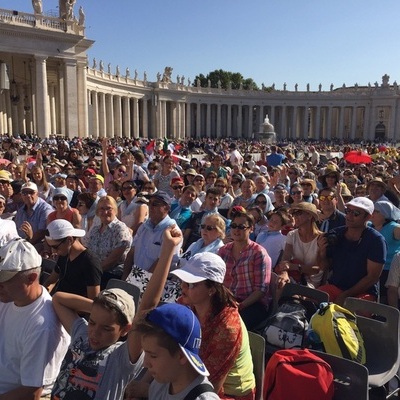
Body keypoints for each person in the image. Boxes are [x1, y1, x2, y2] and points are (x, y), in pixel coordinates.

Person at [51, 226, 184, 400]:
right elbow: (58, 299)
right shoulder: (81, 334)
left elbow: (147, 308)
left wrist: (167, 250)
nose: (95, 333)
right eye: (92, 322)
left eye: (107, 328)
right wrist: (99, 308)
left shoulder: (121, 358)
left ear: (125, 329)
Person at [169, 253, 255, 399]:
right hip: (193, 377)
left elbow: (210, 388)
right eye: (183, 280)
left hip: (229, 394)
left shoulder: (228, 328)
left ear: (212, 289)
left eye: (191, 284)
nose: (183, 286)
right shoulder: (188, 305)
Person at [0, 238, 69, 398]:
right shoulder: (9, 297)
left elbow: (32, 392)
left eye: (4, 281)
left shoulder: (43, 326)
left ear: (31, 278)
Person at [318, 197, 387, 305]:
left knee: (351, 315)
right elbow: (324, 266)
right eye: (348, 211)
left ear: (368, 217)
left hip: (363, 293)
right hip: (335, 287)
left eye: (356, 213)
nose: (349, 216)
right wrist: (322, 253)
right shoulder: (336, 234)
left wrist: (345, 295)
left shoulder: (376, 240)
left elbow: (372, 277)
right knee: (310, 303)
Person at [218, 210, 271, 330]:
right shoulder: (223, 251)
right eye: (234, 226)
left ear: (251, 229)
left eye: (241, 227)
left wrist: (240, 305)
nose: (236, 230)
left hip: (251, 303)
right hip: (227, 299)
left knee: (230, 326)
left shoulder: (259, 253)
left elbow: (261, 290)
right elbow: (217, 280)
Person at [44, 220, 102, 299]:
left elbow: (92, 301)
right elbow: (51, 281)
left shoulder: (90, 262)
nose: (53, 251)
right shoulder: (64, 254)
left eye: (55, 247)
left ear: (69, 240)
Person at [275, 202, 325, 288]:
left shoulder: (321, 238)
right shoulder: (292, 235)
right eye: (294, 214)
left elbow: (317, 269)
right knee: (281, 282)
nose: (295, 217)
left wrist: (294, 267)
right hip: (294, 277)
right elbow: (285, 258)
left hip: (312, 283)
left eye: (299, 213)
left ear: (309, 216)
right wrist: (284, 273)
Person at [86, 196, 132, 288]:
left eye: (109, 208)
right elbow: (88, 253)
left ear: (115, 210)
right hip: (94, 273)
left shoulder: (120, 229)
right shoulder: (95, 230)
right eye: (102, 209)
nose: (105, 212)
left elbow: (113, 260)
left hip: (111, 276)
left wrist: (92, 272)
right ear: (97, 212)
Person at [14, 181, 54, 245]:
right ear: (21, 195)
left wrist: (29, 240)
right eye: (24, 193)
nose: (28, 195)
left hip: (39, 245)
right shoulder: (20, 211)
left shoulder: (45, 209)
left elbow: (42, 233)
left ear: (37, 194)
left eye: (31, 192)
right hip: (21, 244)